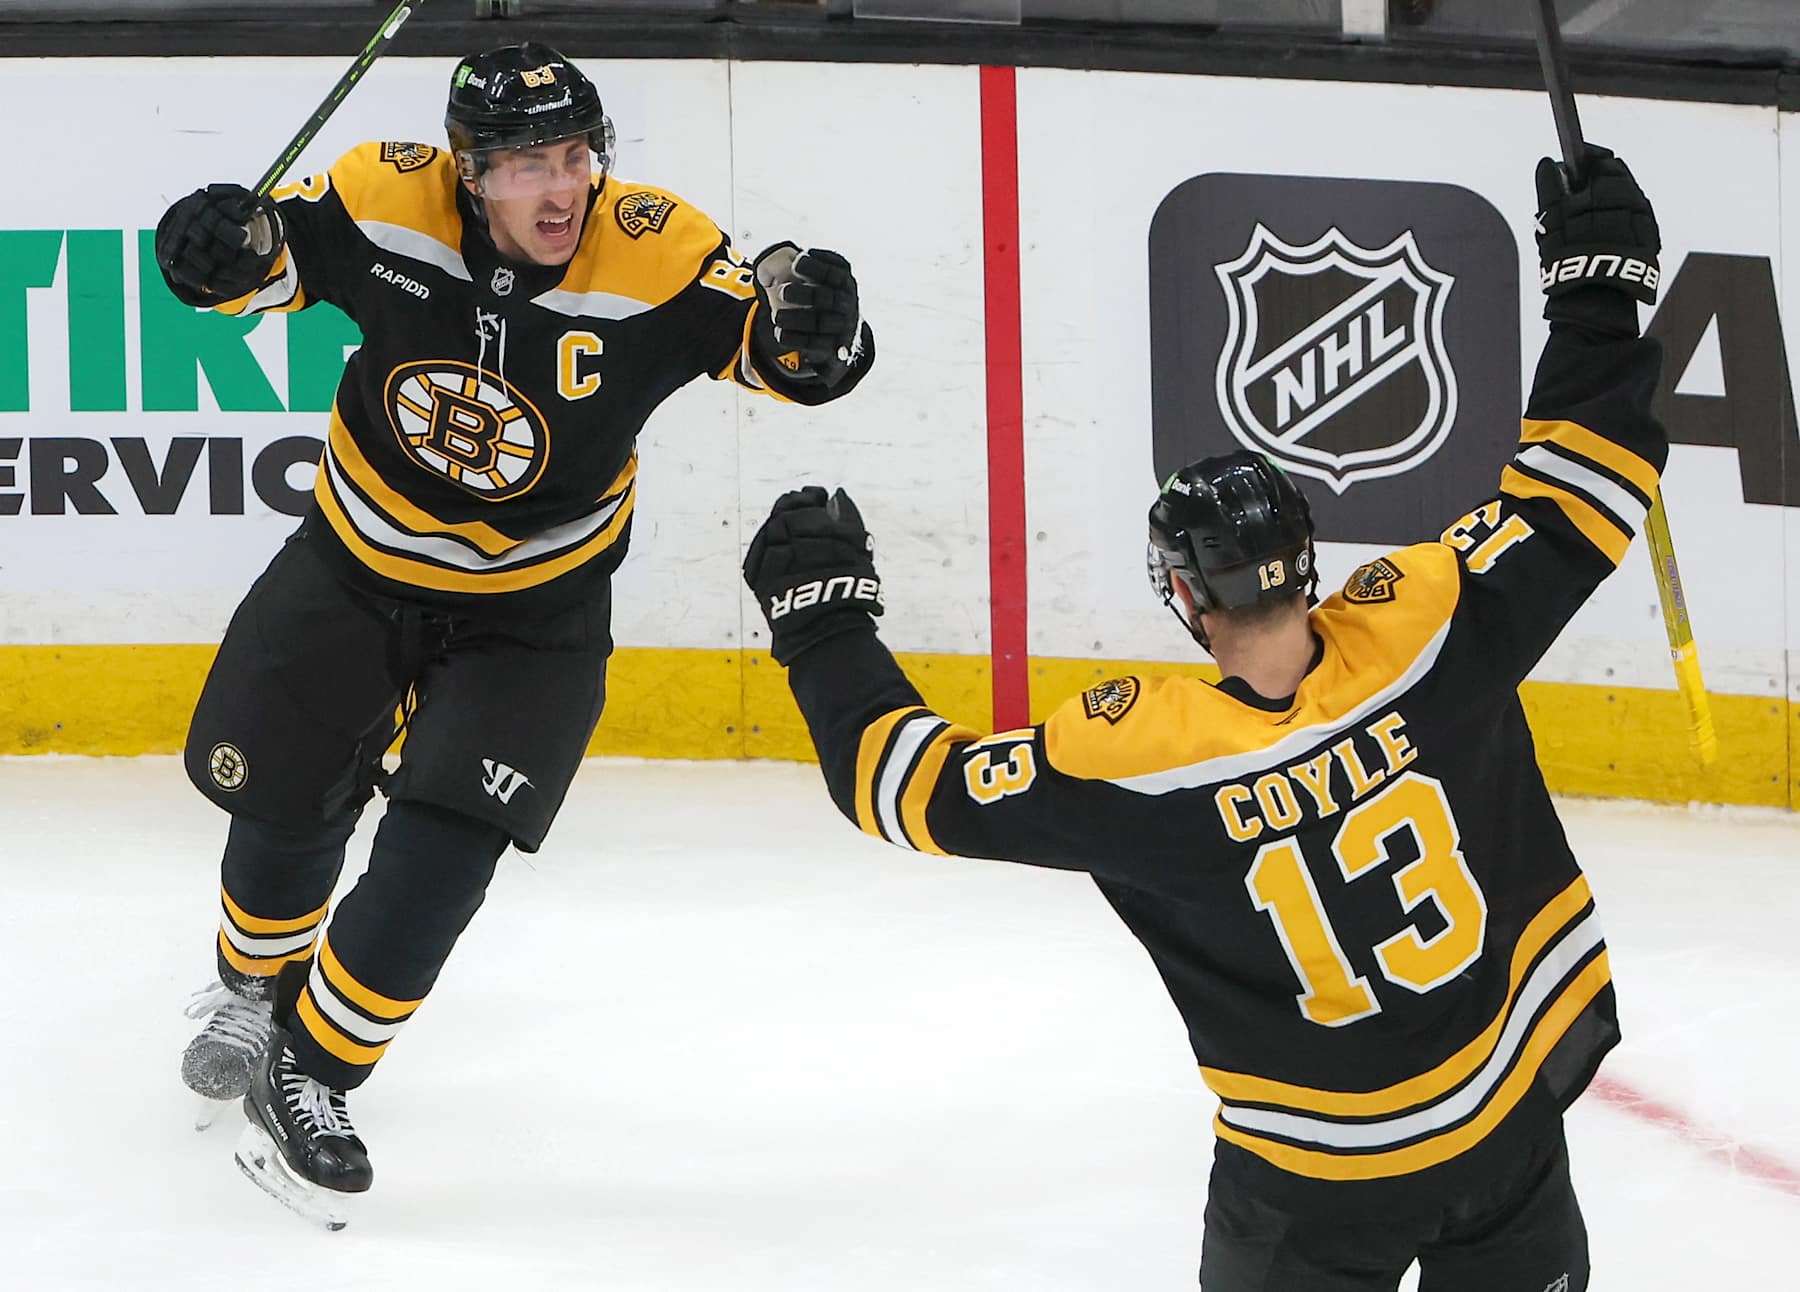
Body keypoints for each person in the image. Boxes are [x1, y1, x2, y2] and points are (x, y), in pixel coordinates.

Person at [742, 146, 1662, 1290]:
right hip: (1506, 1129)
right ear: (1308, 559)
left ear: (1182, 593)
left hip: (1316, 1183)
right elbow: (1589, 481)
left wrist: (825, 623)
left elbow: (904, 786)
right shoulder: (1431, 636)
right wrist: (1598, 289)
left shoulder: (1142, 766)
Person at [157, 42, 874, 1227]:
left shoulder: (655, 247)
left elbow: (790, 358)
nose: (563, 188)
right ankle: (251, 984)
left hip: (535, 614)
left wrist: (823, 332)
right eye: (530, 163)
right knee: (284, 800)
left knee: (450, 843)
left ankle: (315, 1069)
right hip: (352, 565)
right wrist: (214, 251)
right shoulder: (385, 196)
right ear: (468, 172)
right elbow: (259, 268)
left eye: (579, 154)